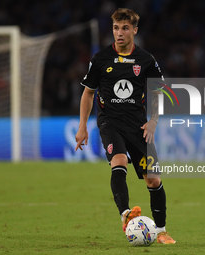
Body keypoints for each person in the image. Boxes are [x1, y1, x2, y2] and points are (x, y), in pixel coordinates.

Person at [75, 8, 175, 244]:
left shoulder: (146, 60)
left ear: (134, 31)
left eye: (125, 28)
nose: (119, 33)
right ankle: (126, 214)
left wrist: (153, 121)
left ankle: (161, 231)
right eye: (116, 28)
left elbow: (157, 92)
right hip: (110, 122)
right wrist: (82, 126)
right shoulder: (100, 59)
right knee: (119, 161)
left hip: (138, 126)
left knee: (153, 179)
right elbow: (88, 93)